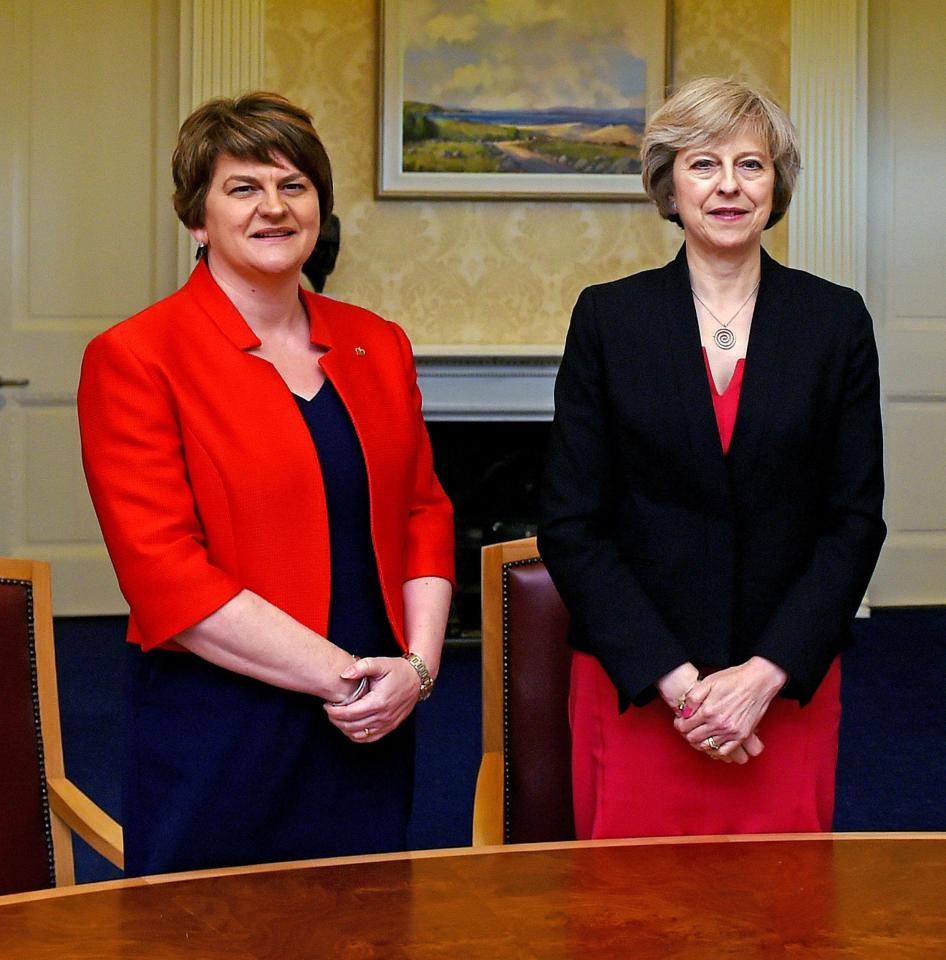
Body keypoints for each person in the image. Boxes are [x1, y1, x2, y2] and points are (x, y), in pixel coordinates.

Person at [77, 92, 454, 875]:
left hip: (372, 725)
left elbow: (423, 510)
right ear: (196, 218)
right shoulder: (137, 356)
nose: (273, 208)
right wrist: (348, 680)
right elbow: (164, 576)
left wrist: (414, 674)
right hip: (223, 730)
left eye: (294, 185)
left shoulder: (376, 344)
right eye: (243, 187)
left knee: (367, 928)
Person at [537, 77, 885, 839]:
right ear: (668, 184)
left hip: (783, 688)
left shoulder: (835, 322)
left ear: (777, 183)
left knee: (782, 921)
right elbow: (571, 524)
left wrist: (761, 677)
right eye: (703, 164)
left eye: (751, 165)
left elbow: (854, 522)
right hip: (640, 685)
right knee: (632, 925)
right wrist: (682, 687)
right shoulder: (609, 318)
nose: (728, 185)